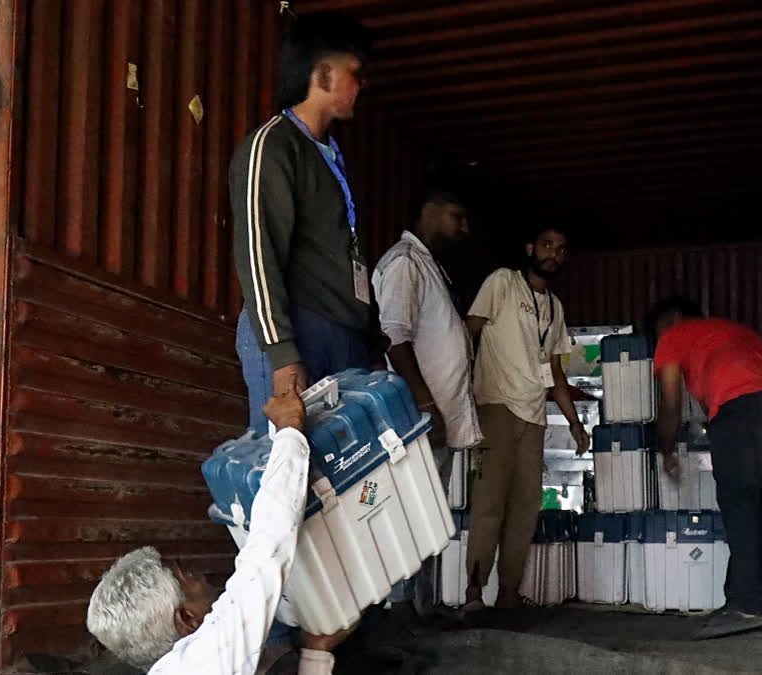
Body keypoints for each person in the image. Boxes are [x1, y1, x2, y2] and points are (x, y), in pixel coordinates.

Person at [85, 392, 353, 674]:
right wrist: (288, 431)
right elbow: (267, 549)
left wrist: (317, 654)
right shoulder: (205, 661)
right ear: (186, 618)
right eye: (186, 578)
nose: (199, 576)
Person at [230, 12, 387, 439]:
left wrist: (372, 350)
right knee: (289, 469)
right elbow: (257, 255)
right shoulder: (273, 145)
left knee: (349, 482)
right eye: (355, 73)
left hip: (344, 336)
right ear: (323, 73)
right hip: (297, 331)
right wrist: (282, 355)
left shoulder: (330, 155)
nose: (362, 84)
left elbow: (347, 256)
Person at [648, 297, 762, 639]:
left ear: (672, 319)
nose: (660, 341)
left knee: (739, 499)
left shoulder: (675, 335)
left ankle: (747, 604)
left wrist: (667, 450)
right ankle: (750, 599)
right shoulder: (727, 332)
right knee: (759, 506)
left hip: (741, 402)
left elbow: (670, 402)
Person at [462, 226, 590, 611]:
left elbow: (555, 371)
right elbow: (469, 331)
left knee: (525, 507)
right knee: (489, 504)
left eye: (562, 249)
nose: (554, 253)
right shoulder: (503, 283)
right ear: (530, 248)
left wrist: (574, 422)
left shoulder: (555, 307)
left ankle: (509, 593)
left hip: (534, 417)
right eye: (548, 245)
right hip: (496, 406)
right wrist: (457, 392)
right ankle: (473, 594)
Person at [372, 186, 484, 621]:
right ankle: (401, 609)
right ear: (431, 211)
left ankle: (422, 605)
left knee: (430, 515)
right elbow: (393, 337)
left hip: (435, 415)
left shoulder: (427, 265)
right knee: (409, 512)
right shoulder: (403, 263)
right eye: (458, 216)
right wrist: (422, 399)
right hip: (418, 416)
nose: (464, 228)